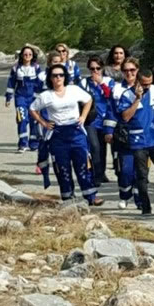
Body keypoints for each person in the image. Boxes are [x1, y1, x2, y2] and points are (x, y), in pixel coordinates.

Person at [29, 64, 104, 206]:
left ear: (65, 76)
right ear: (50, 78)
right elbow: (32, 109)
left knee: (83, 164)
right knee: (62, 167)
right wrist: (43, 122)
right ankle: (68, 197)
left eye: (61, 75)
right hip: (58, 134)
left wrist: (83, 117)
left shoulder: (73, 90)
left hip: (75, 131)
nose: (58, 78)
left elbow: (88, 100)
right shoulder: (46, 95)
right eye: (54, 75)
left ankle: (91, 195)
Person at [118, 60, 154, 215]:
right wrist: (137, 99)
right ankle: (145, 206)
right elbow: (125, 117)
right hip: (137, 141)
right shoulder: (127, 95)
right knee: (142, 175)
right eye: (144, 84)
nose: (147, 87)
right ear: (138, 81)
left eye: (149, 83)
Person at [103, 57, 140, 210]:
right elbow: (111, 111)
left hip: (142, 136)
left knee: (140, 171)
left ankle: (140, 199)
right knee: (124, 170)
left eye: (132, 70)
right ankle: (125, 195)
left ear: (137, 70)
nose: (129, 73)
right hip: (122, 135)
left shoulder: (144, 87)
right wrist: (109, 131)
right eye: (126, 70)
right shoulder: (116, 89)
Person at [80, 56, 115, 186]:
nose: (95, 71)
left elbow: (110, 96)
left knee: (102, 148)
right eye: (92, 68)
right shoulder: (84, 83)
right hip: (91, 120)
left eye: (98, 68)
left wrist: (101, 83)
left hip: (105, 120)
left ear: (102, 68)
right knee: (94, 147)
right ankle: (95, 175)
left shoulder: (109, 81)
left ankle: (101, 173)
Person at [5, 45, 42, 152]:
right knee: (22, 119)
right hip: (20, 98)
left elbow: (40, 83)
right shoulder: (16, 68)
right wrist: (8, 98)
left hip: (34, 98)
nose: (27, 56)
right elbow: (11, 83)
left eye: (30, 54)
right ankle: (22, 144)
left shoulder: (36, 67)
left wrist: (40, 96)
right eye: (25, 54)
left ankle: (34, 144)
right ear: (21, 55)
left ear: (32, 56)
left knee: (34, 121)